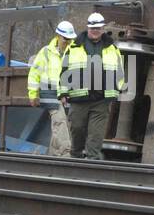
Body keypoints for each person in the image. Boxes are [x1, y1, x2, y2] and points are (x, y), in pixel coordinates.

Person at [59, 12, 126, 159]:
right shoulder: (74, 47)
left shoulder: (112, 48)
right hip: (78, 97)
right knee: (77, 128)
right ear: (88, 28)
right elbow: (64, 71)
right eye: (92, 28)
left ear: (102, 29)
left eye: (98, 28)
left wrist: (116, 90)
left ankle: (91, 161)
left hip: (101, 99)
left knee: (96, 134)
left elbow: (120, 71)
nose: (95, 31)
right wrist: (63, 93)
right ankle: (76, 155)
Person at [28, 20, 76, 156]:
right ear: (58, 36)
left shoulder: (75, 52)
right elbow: (34, 73)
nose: (67, 41)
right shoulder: (45, 52)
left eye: (70, 39)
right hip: (48, 94)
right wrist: (33, 94)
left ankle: (54, 155)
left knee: (61, 125)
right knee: (60, 121)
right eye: (65, 38)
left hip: (66, 94)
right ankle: (66, 153)